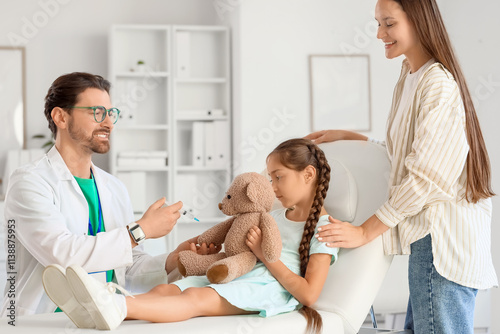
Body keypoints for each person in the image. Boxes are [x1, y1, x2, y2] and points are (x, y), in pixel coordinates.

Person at [306, 1, 498, 333]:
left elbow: (425, 178)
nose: (380, 33)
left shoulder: (437, 85)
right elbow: (409, 155)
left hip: (441, 246)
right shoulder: (411, 76)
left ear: (419, 21)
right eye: (378, 24)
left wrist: (364, 232)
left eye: (389, 24)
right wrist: (356, 139)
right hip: (430, 242)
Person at [42, 138, 338, 333]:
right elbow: (238, 243)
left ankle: (114, 305)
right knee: (169, 289)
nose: (272, 186)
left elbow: (309, 294)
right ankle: (101, 308)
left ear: (309, 174)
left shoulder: (325, 229)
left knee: (196, 297)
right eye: (270, 178)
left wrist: (264, 256)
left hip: (269, 287)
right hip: (242, 273)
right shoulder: (272, 215)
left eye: (279, 177)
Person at [2, 72, 218, 319]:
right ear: (61, 116)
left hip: (103, 319)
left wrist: (173, 260)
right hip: (42, 321)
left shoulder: (114, 188)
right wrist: (140, 230)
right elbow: (62, 255)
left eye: (111, 113)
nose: (108, 123)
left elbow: (127, 268)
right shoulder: (29, 181)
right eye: (97, 113)